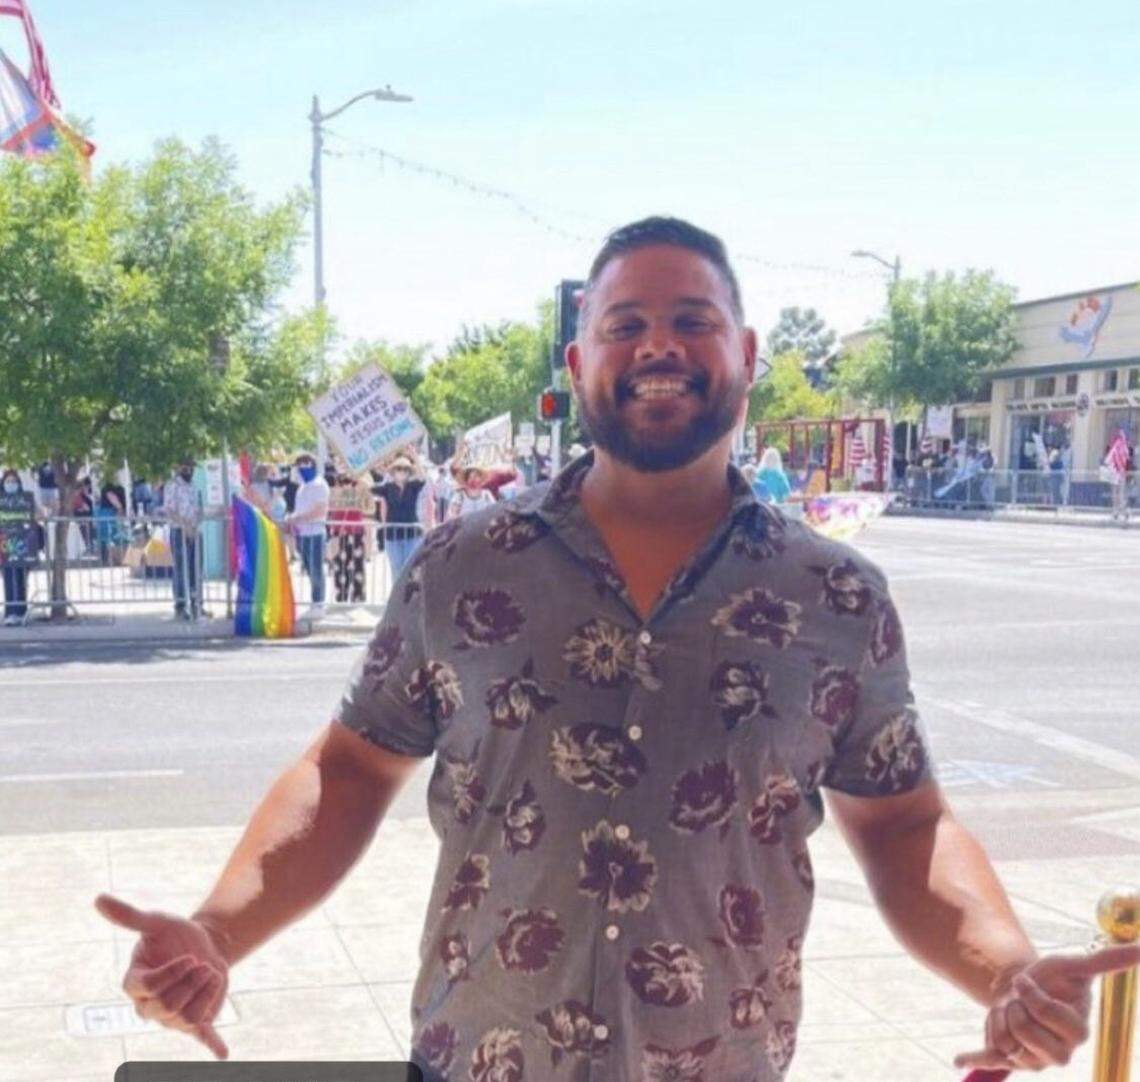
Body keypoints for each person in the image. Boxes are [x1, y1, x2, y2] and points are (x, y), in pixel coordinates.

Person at [95, 217, 1138, 1078]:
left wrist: (1005, 967)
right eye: (625, 322)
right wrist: (217, 929)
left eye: (695, 319)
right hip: (478, 1060)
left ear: (746, 354)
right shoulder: (464, 567)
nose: (658, 344)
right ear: (580, 358)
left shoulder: (836, 595)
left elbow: (907, 821)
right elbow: (349, 766)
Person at [284, 453, 329, 617]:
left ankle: (319, 603)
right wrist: (292, 519)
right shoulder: (303, 486)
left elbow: (320, 510)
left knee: (316, 569)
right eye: (299, 465)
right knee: (309, 569)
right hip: (303, 533)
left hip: (315, 532)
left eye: (305, 464)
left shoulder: (319, 484)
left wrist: (297, 518)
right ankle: (315, 602)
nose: (301, 468)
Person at [162, 459, 205, 620]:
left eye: (191, 467)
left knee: (197, 569)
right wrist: (185, 525)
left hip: (195, 531)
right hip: (179, 530)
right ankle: (180, 606)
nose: (189, 470)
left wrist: (196, 524)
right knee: (181, 569)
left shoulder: (194, 486)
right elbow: (169, 510)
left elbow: (199, 508)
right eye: (186, 466)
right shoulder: (172, 485)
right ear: (179, 467)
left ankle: (197, 604)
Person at [375, 454, 427, 578]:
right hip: (392, 535)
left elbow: (423, 478)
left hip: (412, 534)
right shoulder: (387, 488)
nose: (402, 472)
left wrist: (415, 457)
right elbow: (368, 489)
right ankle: (397, 596)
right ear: (393, 472)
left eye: (405, 469)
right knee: (396, 567)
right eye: (399, 469)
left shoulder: (413, 486)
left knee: (411, 567)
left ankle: (411, 596)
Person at [327, 469, 372, 604]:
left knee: (357, 565)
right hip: (339, 533)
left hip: (356, 533)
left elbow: (370, 509)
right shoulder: (334, 495)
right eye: (343, 482)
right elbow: (330, 510)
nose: (346, 485)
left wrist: (359, 481)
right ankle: (341, 595)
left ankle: (358, 596)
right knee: (339, 566)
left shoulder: (360, 494)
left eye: (349, 482)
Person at [2, 468, 35, 626]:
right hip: (5, 546)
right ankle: (10, 613)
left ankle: (21, 611)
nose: (11, 484)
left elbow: (36, 514)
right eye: (8, 481)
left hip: (24, 545)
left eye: (13, 481)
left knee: (21, 578)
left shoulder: (26, 499)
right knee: (8, 578)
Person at [95, 478, 129, 566]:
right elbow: (111, 497)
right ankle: (110, 559)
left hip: (108, 513)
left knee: (109, 537)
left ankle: (109, 559)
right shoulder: (109, 487)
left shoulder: (113, 486)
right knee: (109, 537)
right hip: (109, 513)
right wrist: (120, 508)